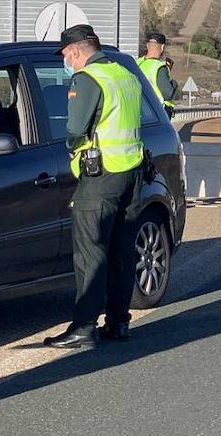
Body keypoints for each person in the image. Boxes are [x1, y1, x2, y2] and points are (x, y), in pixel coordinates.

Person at [45, 24, 145, 349]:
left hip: (100, 177)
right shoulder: (124, 74)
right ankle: (118, 322)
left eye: (65, 56)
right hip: (132, 173)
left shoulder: (87, 79)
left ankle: (84, 326)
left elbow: (75, 128)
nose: (66, 62)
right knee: (121, 252)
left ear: (75, 51)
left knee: (91, 253)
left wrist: (73, 148)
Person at [136, 31, 178, 118]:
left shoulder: (137, 63)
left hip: (139, 110)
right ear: (162, 47)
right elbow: (168, 94)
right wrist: (174, 83)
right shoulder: (160, 67)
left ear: (147, 45)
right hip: (158, 112)